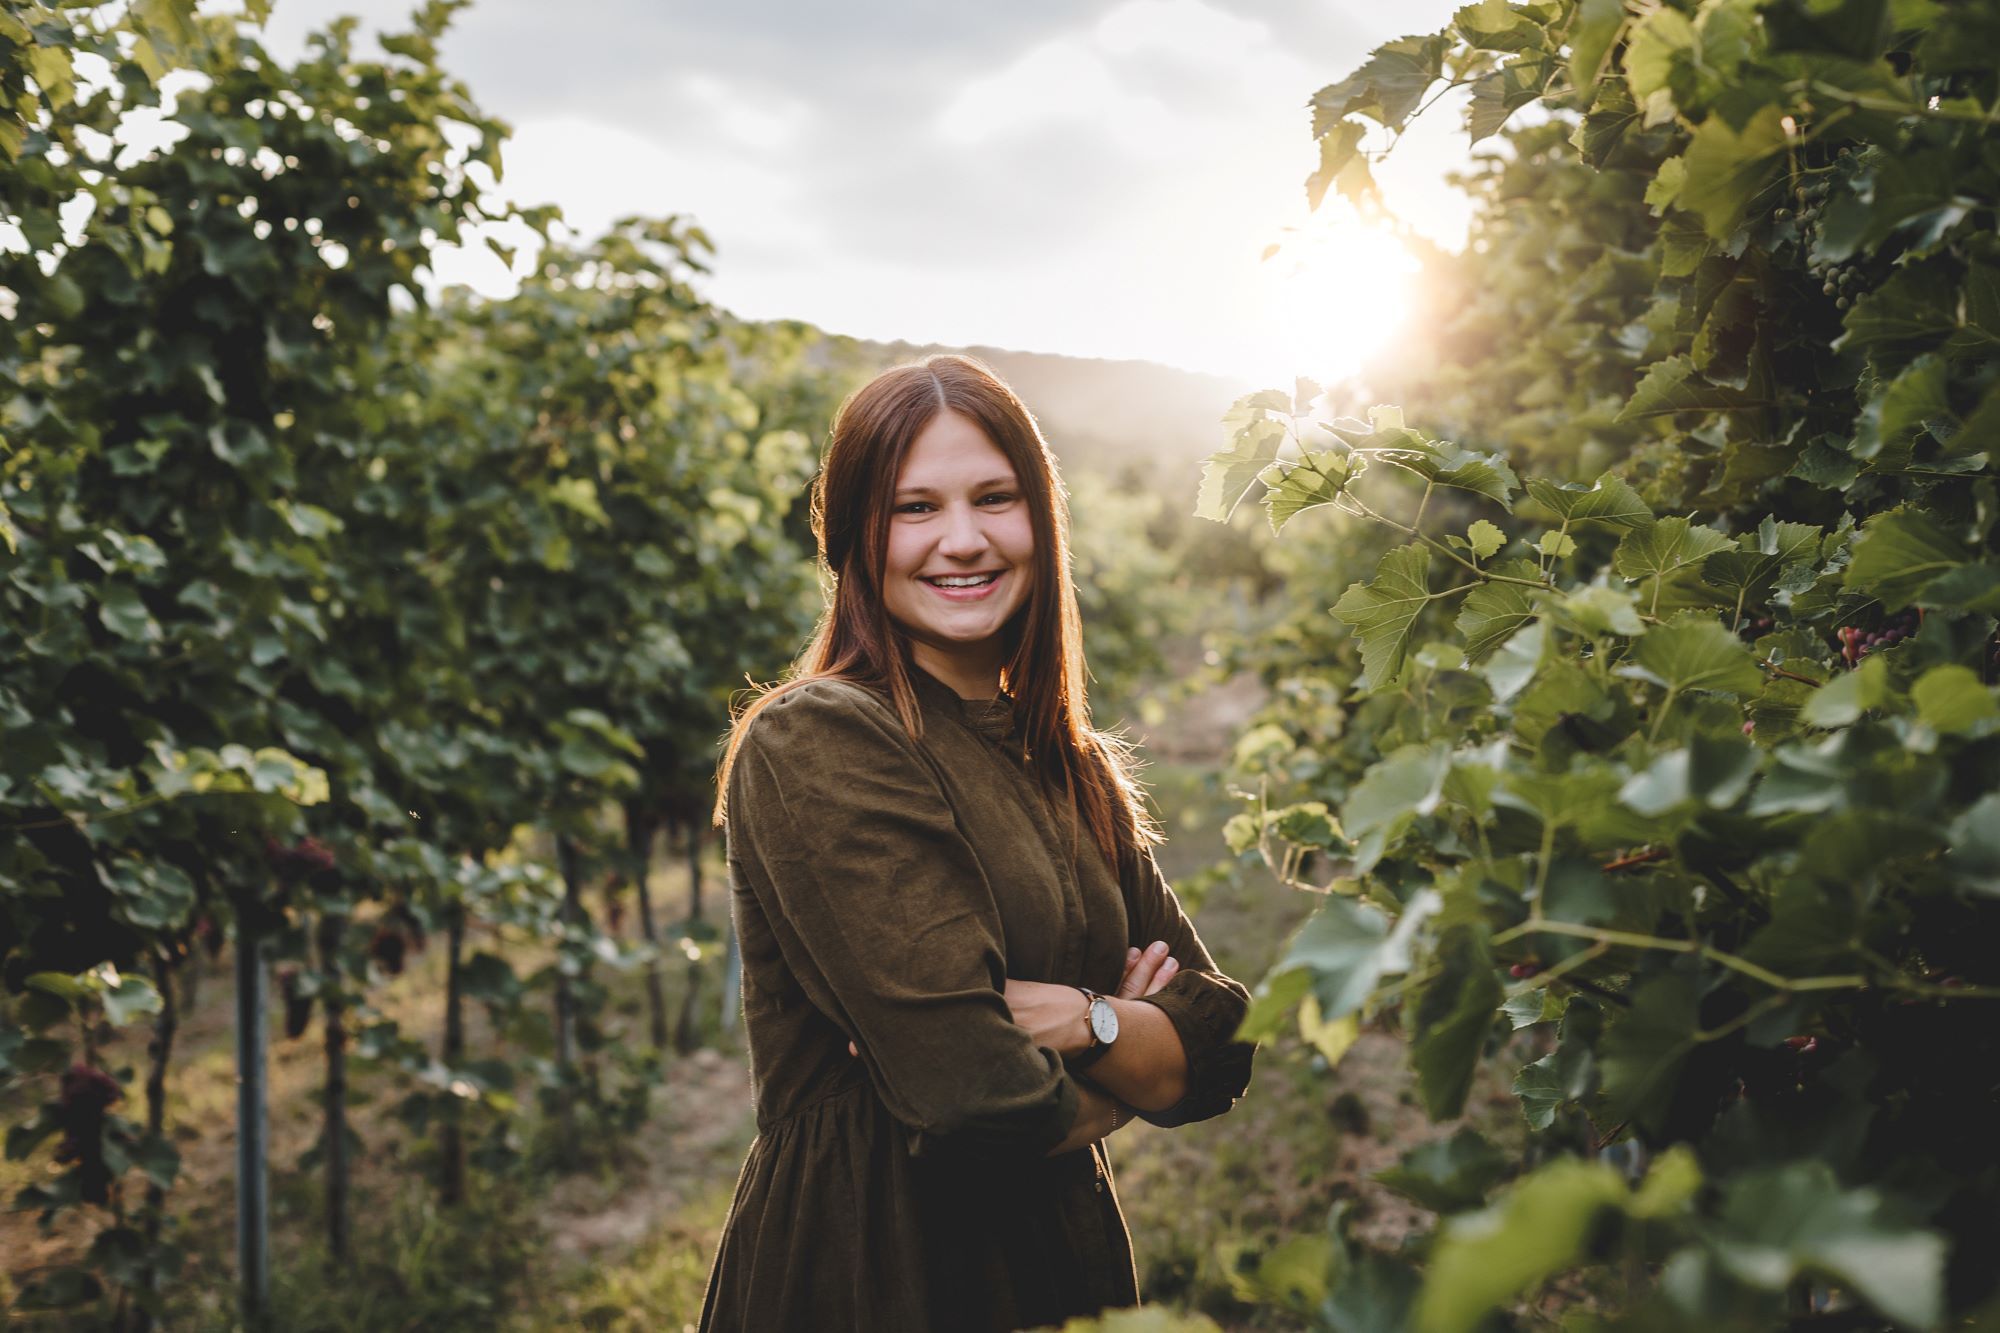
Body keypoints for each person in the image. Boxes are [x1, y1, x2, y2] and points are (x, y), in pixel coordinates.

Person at [699, 354, 1257, 1332]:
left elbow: (1217, 1041)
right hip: (877, 1271)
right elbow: (973, 1095)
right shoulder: (820, 737)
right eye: (914, 508)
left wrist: (1083, 1020)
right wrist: (1127, 1059)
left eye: (993, 497)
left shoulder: (1069, 765)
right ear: (852, 544)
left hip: (1063, 1266)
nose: (962, 539)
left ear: (1040, 520)